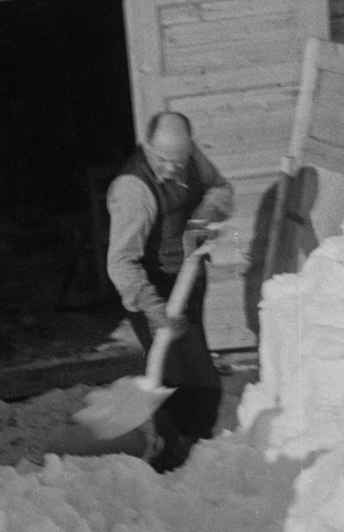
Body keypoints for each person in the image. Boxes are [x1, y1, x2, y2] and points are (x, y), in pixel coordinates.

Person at [106, 111, 234, 472]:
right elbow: (120, 263)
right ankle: (170, 453)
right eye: (162, 161)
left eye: (178, 162)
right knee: (172, 374)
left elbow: (221, 187)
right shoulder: (133, 190)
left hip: (189, 279)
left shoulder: (188, 154)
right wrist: (155, 310)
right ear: (147, 146)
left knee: (200, 374)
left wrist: (210, 208)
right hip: (151, 286)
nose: (171, 170)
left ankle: (198, 445)